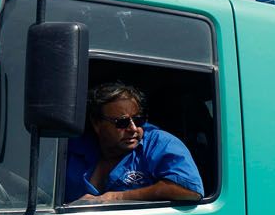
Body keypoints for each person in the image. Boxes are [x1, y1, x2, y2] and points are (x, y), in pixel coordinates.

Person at [65, 82, 204, 205]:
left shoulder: (160, 143)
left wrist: (116, 197)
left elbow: (190, 190)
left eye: (138, 120)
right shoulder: (71, 147)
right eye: (122, 122)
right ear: (97, 124)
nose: (133, 128)